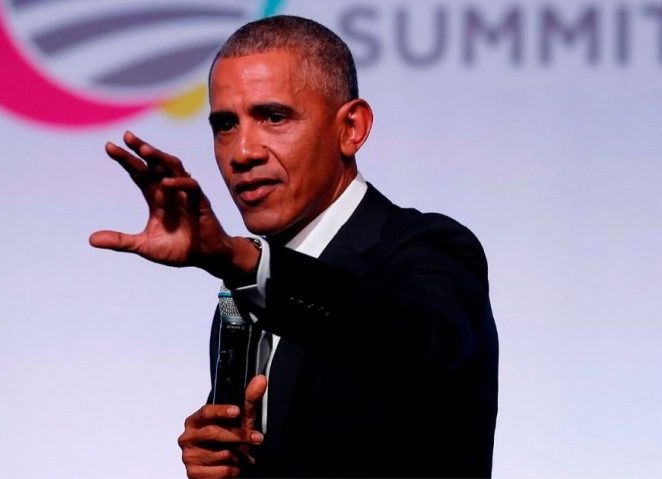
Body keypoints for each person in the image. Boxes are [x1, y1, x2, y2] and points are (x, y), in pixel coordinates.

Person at [90, 15, 498, 479]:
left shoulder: (430, 250)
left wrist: (240, 261)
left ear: (352, 128)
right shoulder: (240, 300)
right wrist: (220, 463)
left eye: (273, 117)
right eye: (225, 124)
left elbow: (413, 341)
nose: (242, 151)